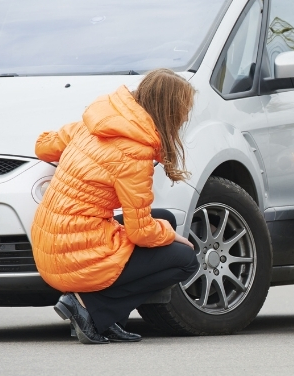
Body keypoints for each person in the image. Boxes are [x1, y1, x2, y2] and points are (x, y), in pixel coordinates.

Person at [31, 68, 199, 344]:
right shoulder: (135, 152)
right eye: (184, 111)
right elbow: (141, 232)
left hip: (50, 241)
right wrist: (171, 234)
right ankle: (91, 309)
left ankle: (105, 319)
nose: (185, 118)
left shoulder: (99, 121)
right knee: (185, 259)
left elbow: (43, 146)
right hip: (74, 255)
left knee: (164, 216)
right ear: (170, 112)